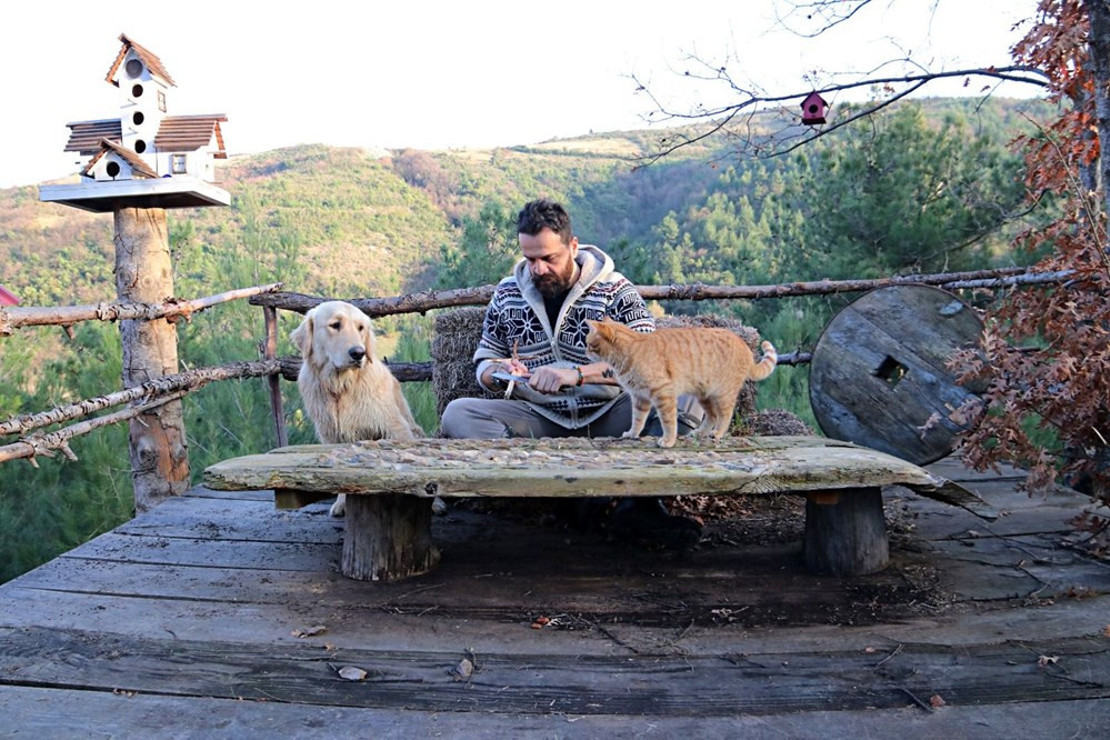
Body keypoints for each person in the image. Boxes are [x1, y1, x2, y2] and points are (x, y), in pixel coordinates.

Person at [439, 198, 703, 550]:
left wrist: (577, 375)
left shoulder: (616, 291)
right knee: (458, 414)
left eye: (549, 258)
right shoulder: (506, 295)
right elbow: (484, 363)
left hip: (611, 414)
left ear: (573, 247)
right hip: (540, 420)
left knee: (690, 395)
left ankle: (639, 505)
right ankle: (567, 496)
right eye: (529, 259)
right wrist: (500, 372)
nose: (538, 269)